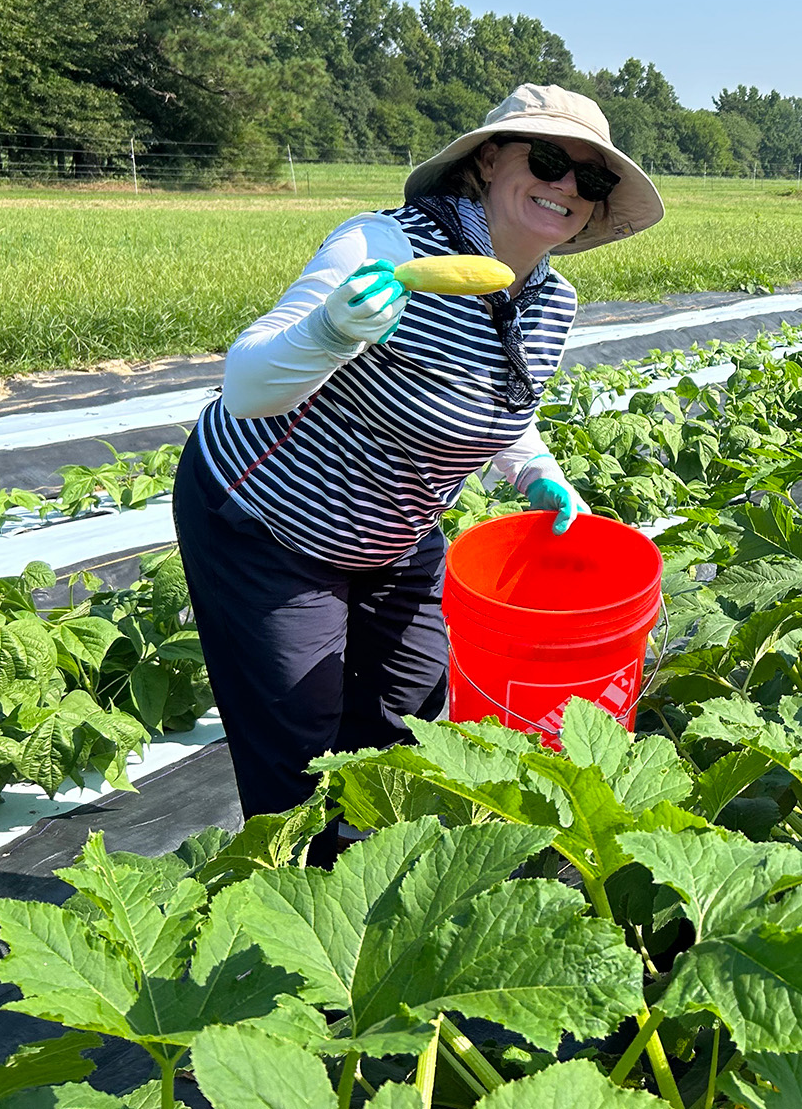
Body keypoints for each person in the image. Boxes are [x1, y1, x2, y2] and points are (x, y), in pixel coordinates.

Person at [173, 84, 663, 842]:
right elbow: (246, 385)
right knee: (301, 752)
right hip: (268, 522)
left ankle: (381, 878)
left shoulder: (551, 303)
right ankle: (305, 913)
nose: (566, 185)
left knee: (410, 712)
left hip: (397, 533)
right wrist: (332, 332)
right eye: (546, 159)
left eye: (590, 179)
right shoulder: (386, 248)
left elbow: (504, 409)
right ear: (491, 160)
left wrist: (537, 473)